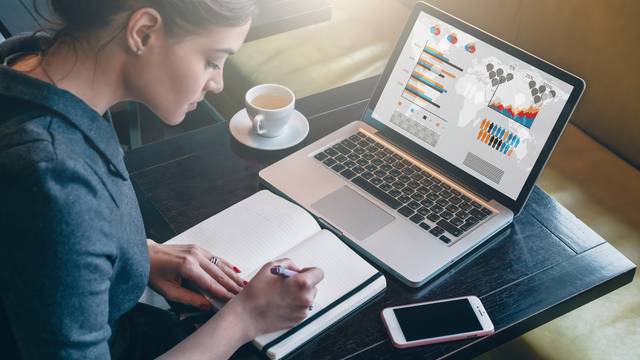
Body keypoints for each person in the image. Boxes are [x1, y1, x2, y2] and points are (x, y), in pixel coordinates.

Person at [0, 1, 324, 359]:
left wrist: (131, 254)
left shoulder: (30, 63)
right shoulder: (55, 180)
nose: (217, 83)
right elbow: (58, 207)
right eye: (212, 60)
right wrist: (245, 318)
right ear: (143, 31)